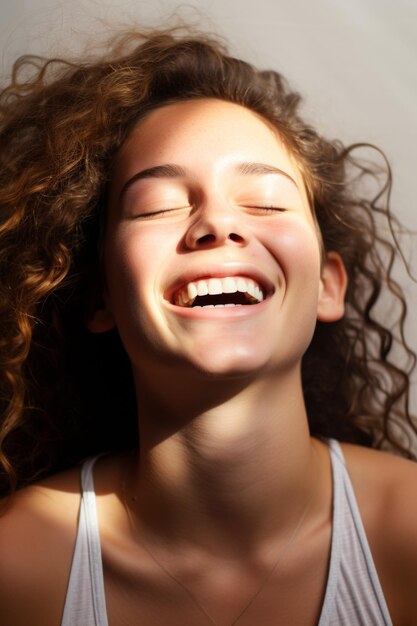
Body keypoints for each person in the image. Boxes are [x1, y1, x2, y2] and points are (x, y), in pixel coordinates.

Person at [0, 25, 416, 626]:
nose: (217, 223)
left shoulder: (406, 536)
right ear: (101, 298)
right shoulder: (17, 567)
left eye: (267, 202)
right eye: (158, 205)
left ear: (327, 285)